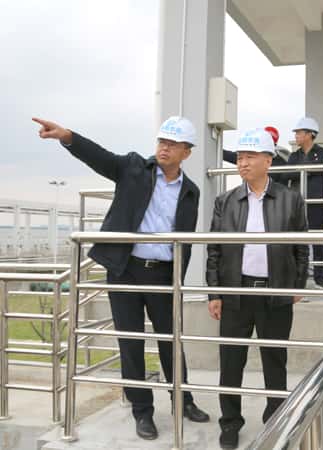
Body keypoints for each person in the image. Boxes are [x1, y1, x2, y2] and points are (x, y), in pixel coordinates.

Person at [32, 116, 210, 440]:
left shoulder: (190, 191)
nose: (164, 148)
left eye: (172, 144)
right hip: (125, 270)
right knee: (131, 343)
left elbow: (185, 239)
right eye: (162, 141)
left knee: (171, 341)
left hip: (163, 275)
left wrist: (179, 281)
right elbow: (100, 157)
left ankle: (183, 401)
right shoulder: (132, 168)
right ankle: (142, 411)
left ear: (187, 151)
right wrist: (68, 136)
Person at [206, 128, 309, 449]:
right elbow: (214, 250)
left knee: (274, 360)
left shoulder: (290, 199)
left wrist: (297, 285)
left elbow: (302, 247)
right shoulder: (225, 201)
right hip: (235, 294)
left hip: (275, 293)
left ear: (268, 160)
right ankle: (230, 422)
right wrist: (215, 293)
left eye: (250, 156)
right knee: (231, 362)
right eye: (239, 157)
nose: (243, 163)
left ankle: (275, 418)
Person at [281, 117, 323, 288]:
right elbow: (286, 175)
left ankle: (320, 278)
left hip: (316, 201)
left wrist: (301, 170)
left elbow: (320, 168)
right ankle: (297, 277)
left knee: (317, 239)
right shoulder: (294, 155)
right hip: (297, 203)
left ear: (310, 134)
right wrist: (307, 170)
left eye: (299, 132)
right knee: (296, 239)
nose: (296, 136)